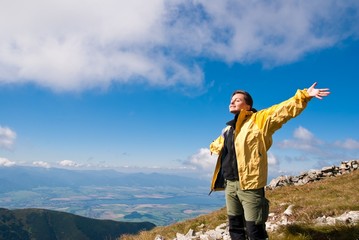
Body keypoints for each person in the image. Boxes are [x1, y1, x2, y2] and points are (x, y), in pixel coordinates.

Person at [209, 82, 330, 240]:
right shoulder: (227, 129)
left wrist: (304, 95)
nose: (232, 102)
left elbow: (283, 110)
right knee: (235, 227)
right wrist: (214, 146)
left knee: (255, 230)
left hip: (250, 186)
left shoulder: (260, 120)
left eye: (237, 100)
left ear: (248, 105)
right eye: (231, 100)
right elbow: (221, 143)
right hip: (230, 185)